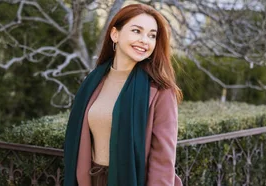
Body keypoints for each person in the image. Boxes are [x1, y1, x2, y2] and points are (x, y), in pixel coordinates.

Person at [63, 3, 183, 186]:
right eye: (137, 31)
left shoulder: (160, 90)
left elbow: (163, 160)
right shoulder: (93, 82)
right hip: (92, 179)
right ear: (115, 34)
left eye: (152, 35)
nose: (145, 40)